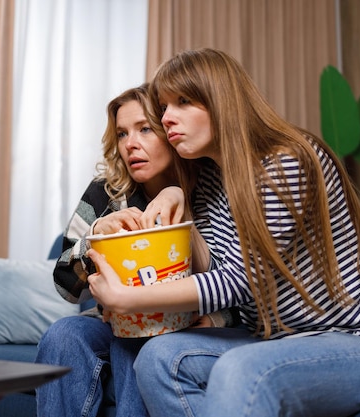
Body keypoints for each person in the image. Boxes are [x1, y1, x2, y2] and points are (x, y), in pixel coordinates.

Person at [86, 48, 360, 417]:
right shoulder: (209, 178)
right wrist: (174, 192)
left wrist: (127, 300)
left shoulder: (287, 162)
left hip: (359, 345)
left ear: (221, 100)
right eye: (163, 107)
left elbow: (240, 280)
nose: (167, 119)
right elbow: (209, 271)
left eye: (183, 102)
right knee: (157, 359)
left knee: (239, 369)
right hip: (272, 341)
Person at [35, 84, 236, 417]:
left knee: (141, 339)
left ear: (170, 130)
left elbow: (245, 285)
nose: (131, 144)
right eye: (122, 133)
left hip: (188, 327)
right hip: (116, 323)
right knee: (64, 333)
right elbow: (65, 285)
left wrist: (218, 318)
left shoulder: (211, 189)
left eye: (145, 129)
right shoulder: (106, 192)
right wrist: (95, 236)